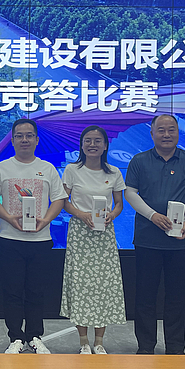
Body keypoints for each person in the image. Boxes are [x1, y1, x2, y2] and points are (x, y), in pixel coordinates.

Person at [125, 114, 185, 355]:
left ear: (178, 133)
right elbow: (130, 193)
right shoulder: (139, 160)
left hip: (181, 241)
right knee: (145, 296)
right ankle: (145, 346)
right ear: (152, 133)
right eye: (161, 130)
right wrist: (152, 215)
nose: (166, 134)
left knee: (177, 297)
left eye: (171, 129)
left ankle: (175, 347)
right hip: (147, 239)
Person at [0, 119, 67, 354]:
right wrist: (9, 217)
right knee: (12, 291)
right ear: (12, 140)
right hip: (10, 238)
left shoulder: (47, 168)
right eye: (19, 136)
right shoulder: (1, 168)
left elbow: (59, 199)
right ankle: (15, 337)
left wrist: (46, 220)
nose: (24, 140)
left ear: (36, 140)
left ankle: (34, 336)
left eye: (29, 135)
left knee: (36, 291)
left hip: (40, 240)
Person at [60, 126, 127, 354]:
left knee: (103, 285)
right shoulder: (72, 170)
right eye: (87, 140)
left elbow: (119, 204)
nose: (92, 145)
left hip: (104, 233)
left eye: (97, 141)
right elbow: (64, 201)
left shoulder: (114, 172)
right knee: (81, 285)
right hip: (80, 232)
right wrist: (82, 215)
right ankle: (83, 342)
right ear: (81, 145)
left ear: (105, 145)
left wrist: (112, 215)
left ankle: (99, 342)